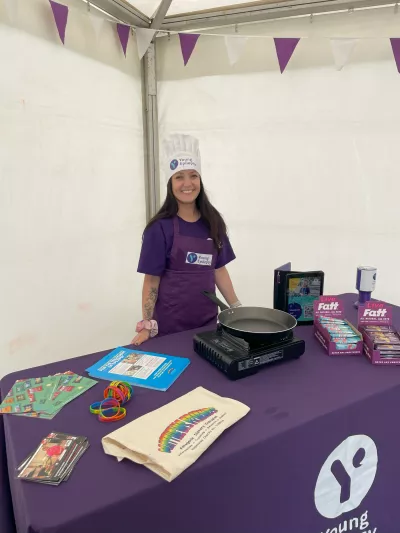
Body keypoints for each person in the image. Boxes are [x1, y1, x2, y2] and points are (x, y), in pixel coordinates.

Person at [132, 134, 240, 345]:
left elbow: (219, 270)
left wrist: (237, 309)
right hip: (170, 330)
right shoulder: (159, 228)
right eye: (179, 176)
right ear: (170, 183)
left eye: (193, 176)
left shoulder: (213, 222)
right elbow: (151, 281)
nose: (187, 183)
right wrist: (146, 324)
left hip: (208, 328)